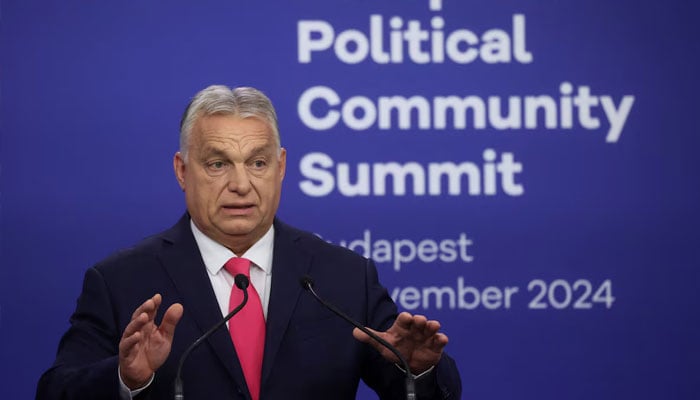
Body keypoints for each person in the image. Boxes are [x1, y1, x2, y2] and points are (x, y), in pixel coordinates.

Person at [36, 85, 462, 400]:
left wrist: (419, 369)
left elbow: (419, 389)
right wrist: (126, 379)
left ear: (280, 167)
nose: (241, 184)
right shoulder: (120, 281)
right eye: (218, 163)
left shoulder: (344, 277)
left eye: (257, 162)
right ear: (183, 171)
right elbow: (56, 391)